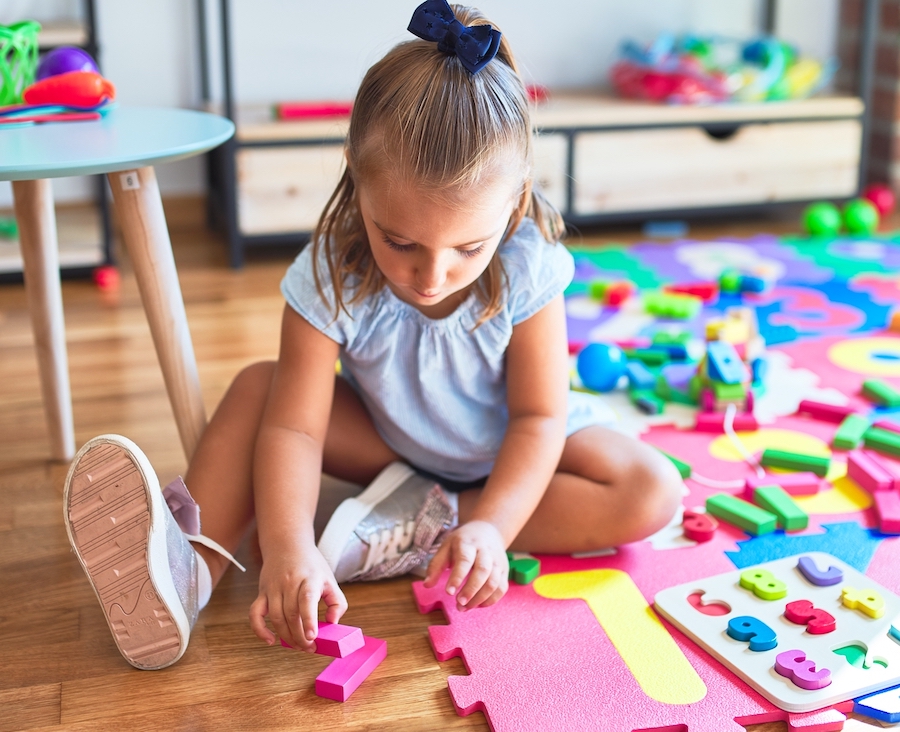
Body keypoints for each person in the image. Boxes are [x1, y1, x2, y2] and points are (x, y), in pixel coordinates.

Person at [63, 0, 682, 671]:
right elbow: (295, 430)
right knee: (257, 389)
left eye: (468, 248)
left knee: (651, 489)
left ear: (514, 201)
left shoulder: (528, 266)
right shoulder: (330, 271)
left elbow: (538, 419)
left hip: (505, 448)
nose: (431, 274)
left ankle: (419, 525)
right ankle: (189, 572)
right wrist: (290, 545)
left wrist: (490, 529)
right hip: (389, 438)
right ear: (358, 180)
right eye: (400, 241)